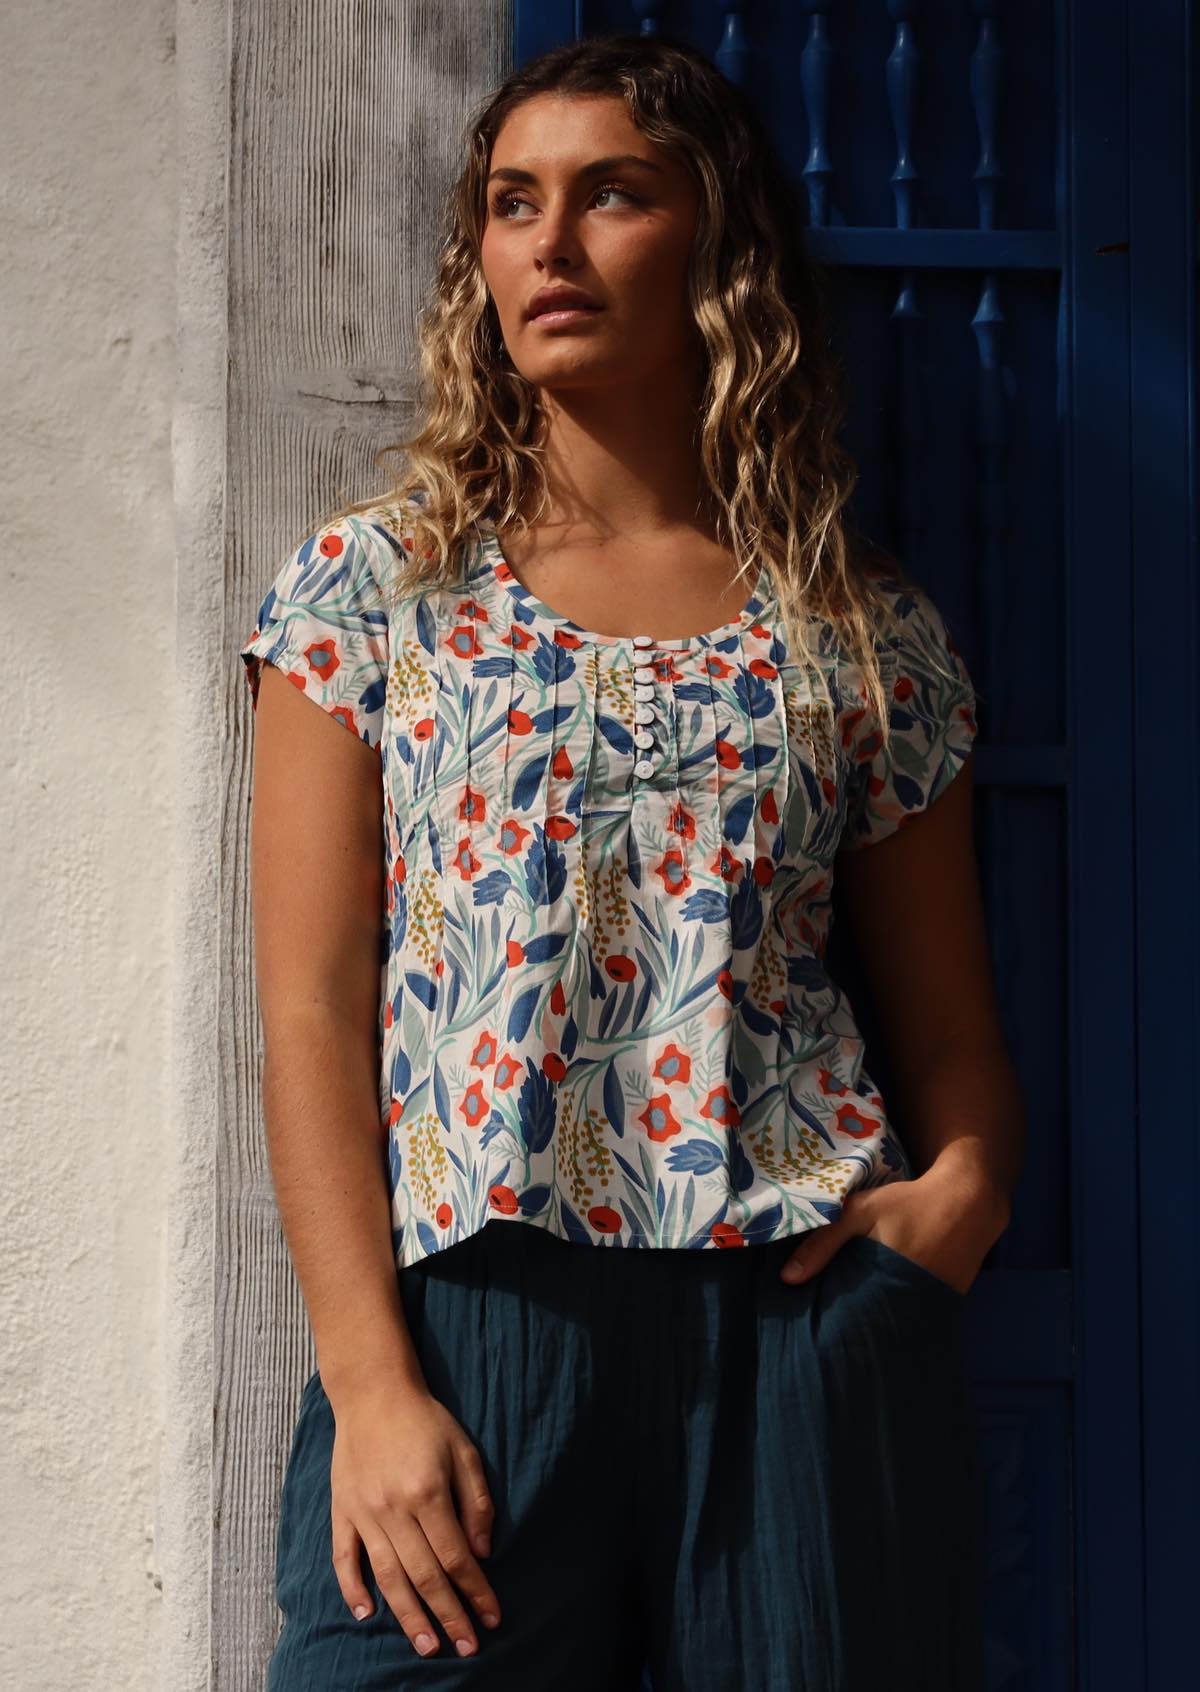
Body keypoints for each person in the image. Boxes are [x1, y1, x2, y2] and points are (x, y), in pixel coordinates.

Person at [239, 30, 1024, 1692]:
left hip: (800, 1330)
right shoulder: (374, 594)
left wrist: (963, 1194)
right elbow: (310, 1005)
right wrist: (373, 1385)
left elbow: (952, 1026)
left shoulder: (860, 628)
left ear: (714, 245)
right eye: (514, 203)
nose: (552, 243)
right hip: (476, 1327)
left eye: (613, 196)